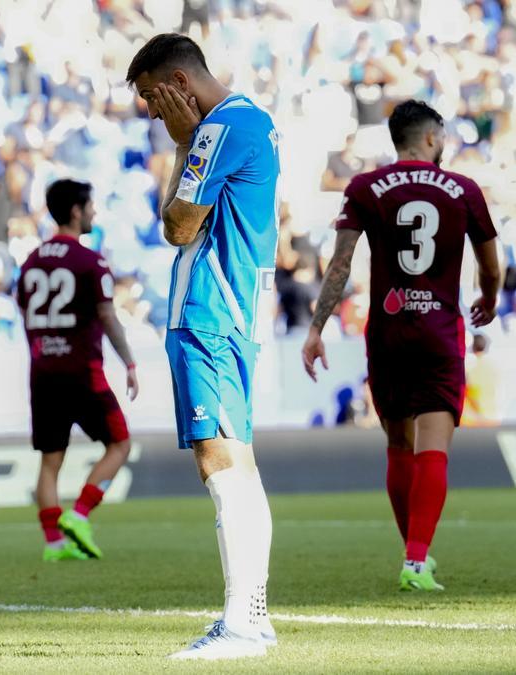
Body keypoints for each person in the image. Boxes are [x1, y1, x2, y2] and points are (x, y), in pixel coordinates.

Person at [302, 99, 500, 592]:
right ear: (431, 138)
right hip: (439, 332)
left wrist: (315, 329)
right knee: (434, 447)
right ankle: (416, 560)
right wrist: (490, 299)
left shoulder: (365, 187)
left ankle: (414, 555)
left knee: (397, 445)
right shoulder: (464, 189)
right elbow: (492, 266)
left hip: (388, 330)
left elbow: (341, 265)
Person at [128, 34, 279, 659]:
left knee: (220, 464)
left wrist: (187, 142)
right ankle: (255, 617)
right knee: (238, 462)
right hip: (240, 311)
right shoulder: (256, 119)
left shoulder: (216, 129)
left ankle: (241, 626)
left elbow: (177, 226)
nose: (152, 115)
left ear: (179, 85)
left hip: (210, 311)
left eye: (152, 99)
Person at [15, 179, 139, 564]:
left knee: (51, 461)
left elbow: (24, 313)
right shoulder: (91, 261)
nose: (94, 213)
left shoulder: (31, 260)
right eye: (90, 206)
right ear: (75, 211)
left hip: (43, 372)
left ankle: (54, 545)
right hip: (83, 371)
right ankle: (80, 515)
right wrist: (130, 362)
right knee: (119, 443)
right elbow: (106, 315)